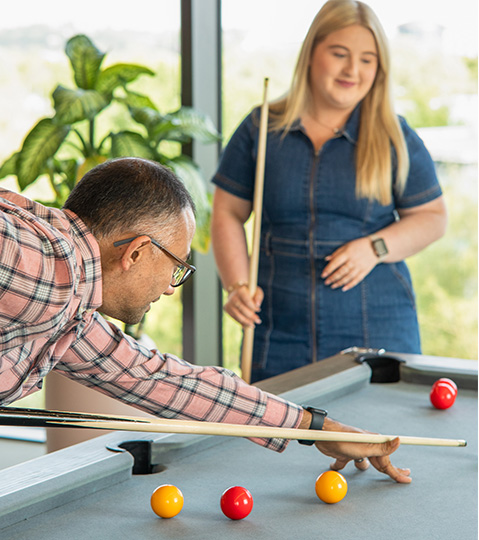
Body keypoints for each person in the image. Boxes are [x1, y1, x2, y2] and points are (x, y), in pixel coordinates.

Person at [0, 157, 410, 483]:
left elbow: (162, 380)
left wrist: (316, 427)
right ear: (137, 252)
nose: (171, 287)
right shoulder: (47, 265)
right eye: (177, 265)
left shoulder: (74, 313)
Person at [211, 0, 447, 383]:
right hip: (277, 330)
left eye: (367, 59)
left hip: (379, 329)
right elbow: (227, 213)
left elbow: (433, 218)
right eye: (339, 54)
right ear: (311, 54)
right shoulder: (260, 128)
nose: (353, 70)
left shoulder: (394, 136)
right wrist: (237, 284)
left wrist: (375, 248)